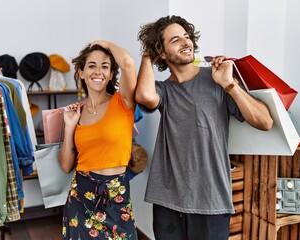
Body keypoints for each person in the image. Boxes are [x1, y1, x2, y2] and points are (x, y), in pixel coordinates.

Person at [135, 15, 273, 240]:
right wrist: (147, 54)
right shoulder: (164, 90)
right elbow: (144, 96)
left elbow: (265, 122)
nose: (186, 42)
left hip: (211, 199)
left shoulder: (216, 79)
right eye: (176, 40)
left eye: (187, 37)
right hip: (167, 199)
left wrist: (229, 85)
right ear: (161, 52)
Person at [58, 40, 138, 239]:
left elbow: (128, 63)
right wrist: (69, 128)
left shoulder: (123, 102)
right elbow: (67, 166)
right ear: (81, 72)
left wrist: (102, 43)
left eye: (105, 67)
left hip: (116, 196)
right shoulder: (77, 113)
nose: (98, 72)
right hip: (80, 196)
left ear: (111, 74)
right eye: (91, 66)